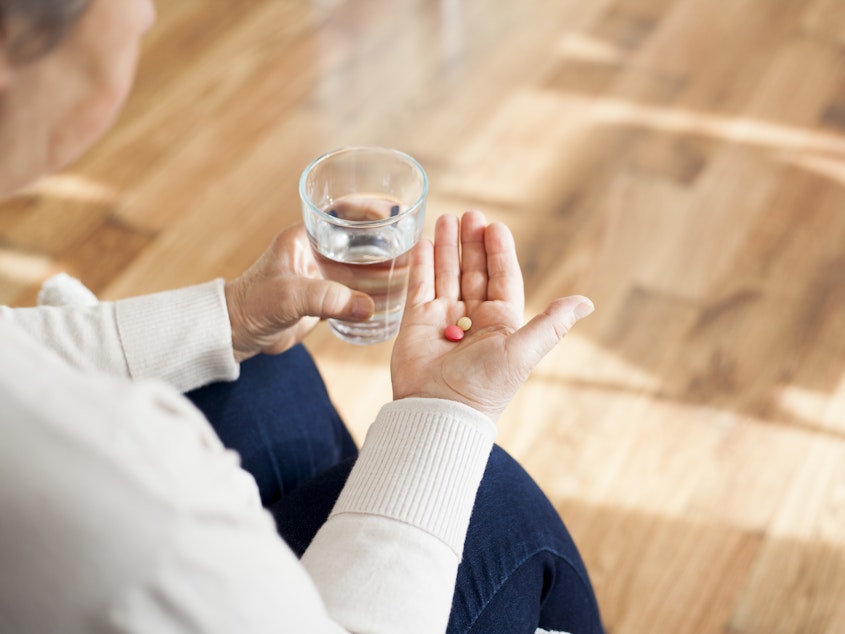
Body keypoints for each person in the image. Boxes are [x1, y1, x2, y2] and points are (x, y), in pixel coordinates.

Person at [0, 1, 603, 632]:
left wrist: (228, 316)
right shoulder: (135, 501)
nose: (149, 13)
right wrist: (447, 411)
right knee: (492, 500)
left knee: (265, 376)